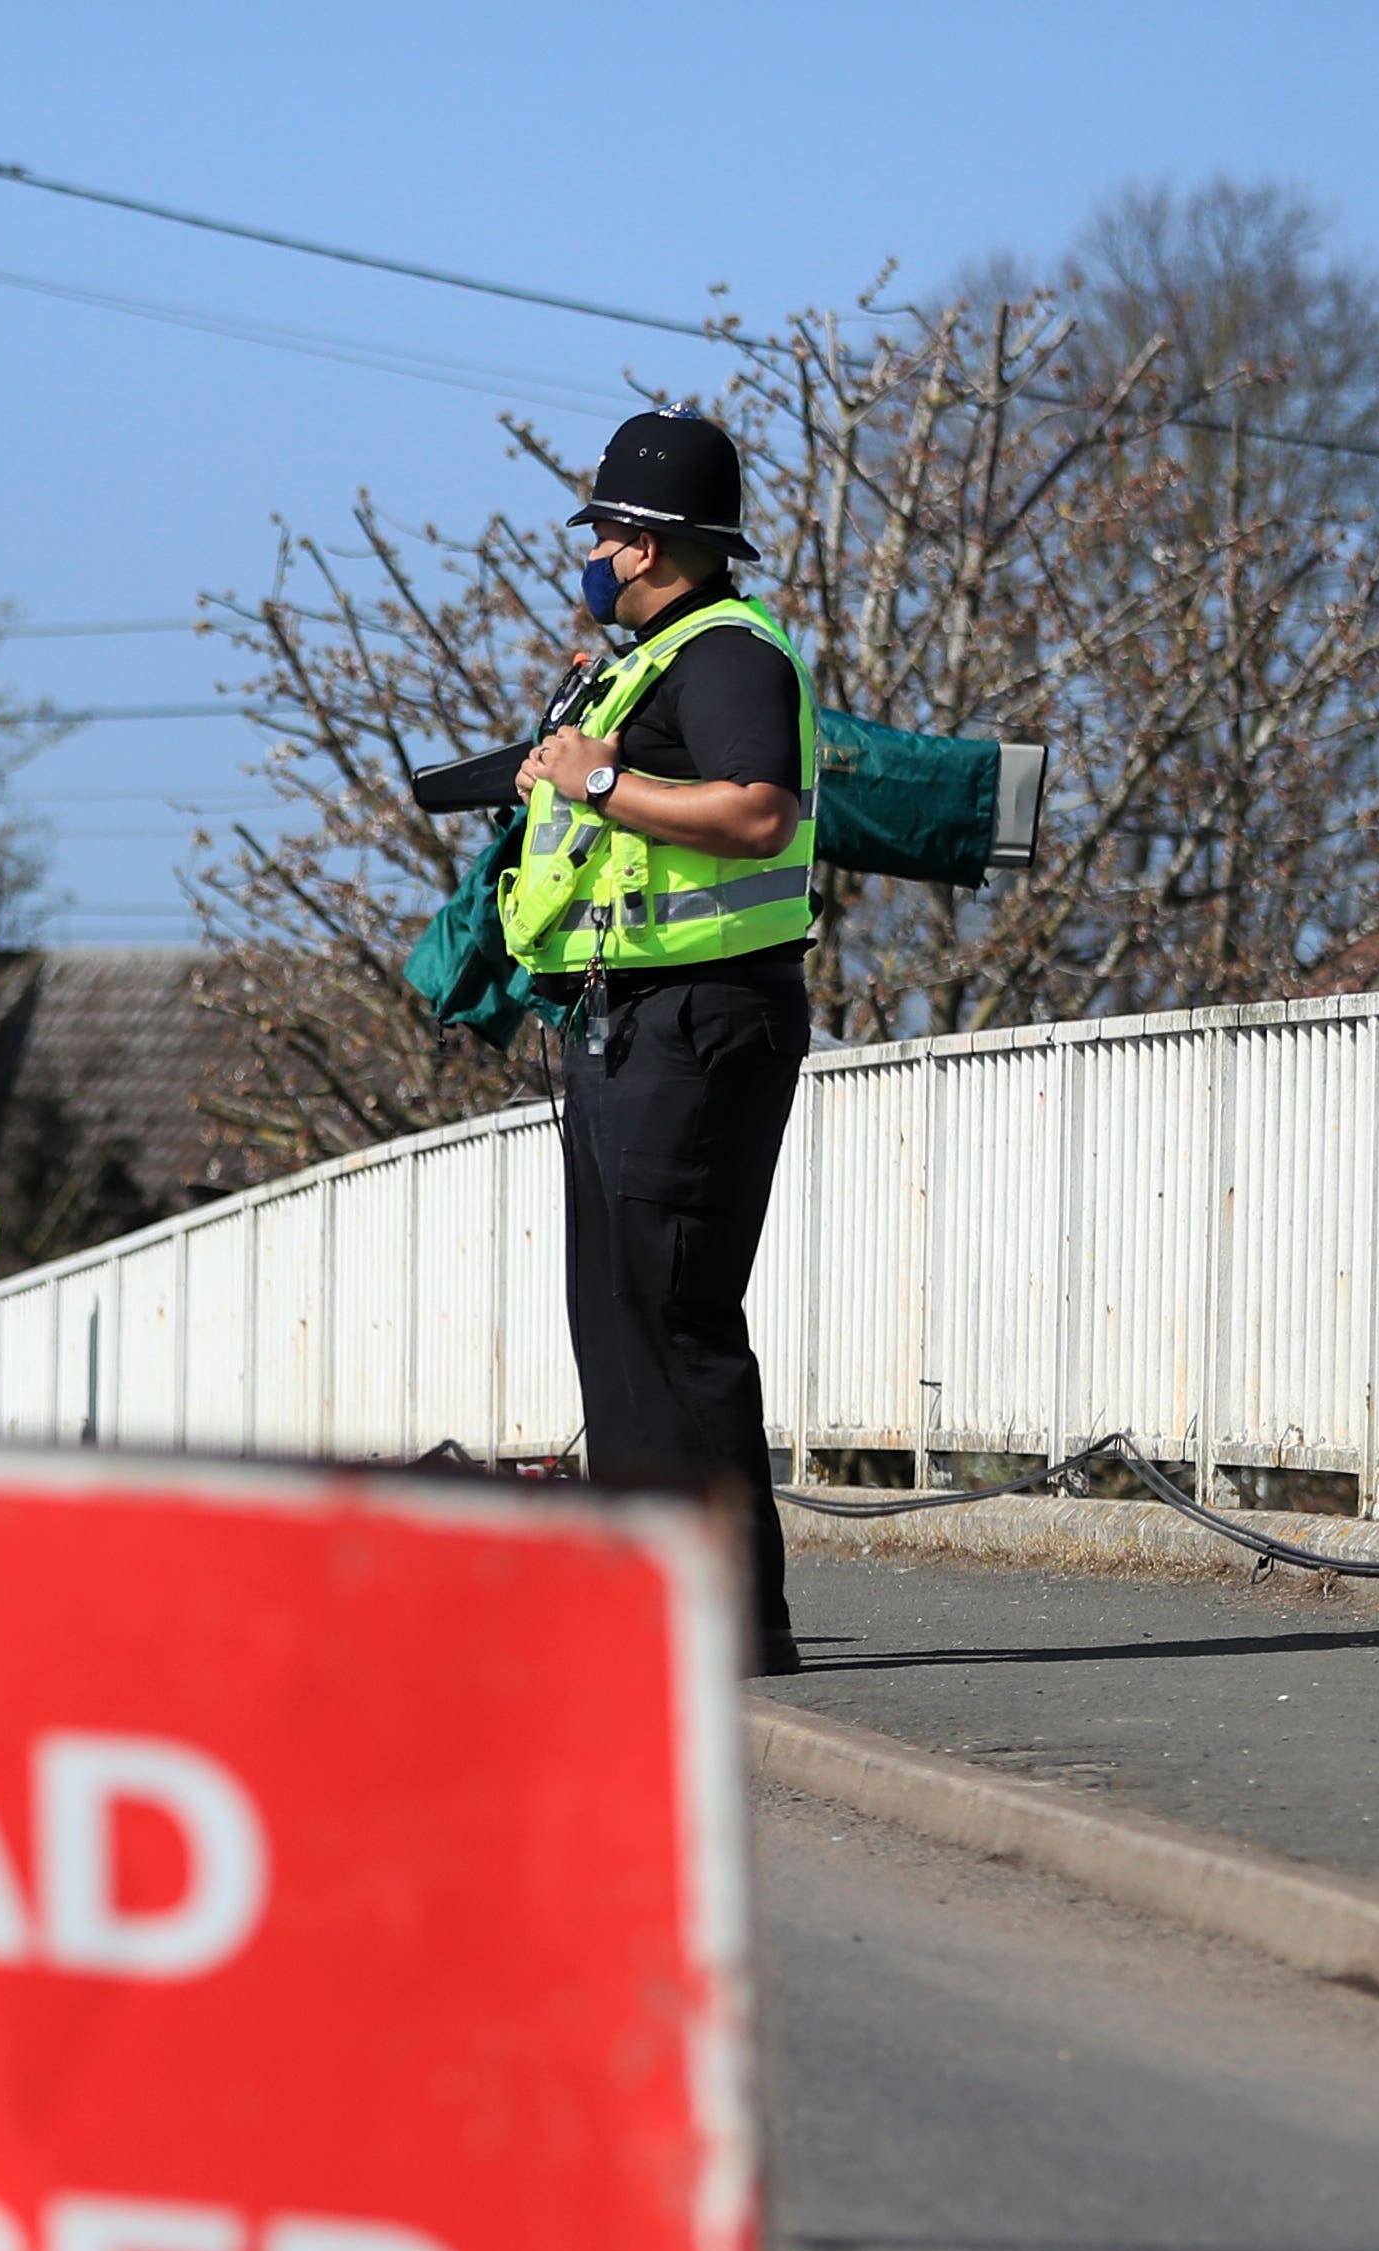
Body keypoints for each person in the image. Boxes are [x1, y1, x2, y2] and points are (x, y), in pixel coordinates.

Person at [503, 410, 815, 1673]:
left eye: (606, 532)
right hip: (634, 1021)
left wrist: (592, 784)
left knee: (673, 1316)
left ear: (642, 543)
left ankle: (732, 1619)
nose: (594, 553)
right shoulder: (652, 658)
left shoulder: (728, 655)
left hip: (699, 1023)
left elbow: (756, 808)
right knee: (619, 1316)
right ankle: (656, 1604)